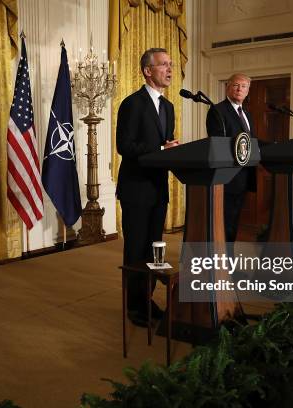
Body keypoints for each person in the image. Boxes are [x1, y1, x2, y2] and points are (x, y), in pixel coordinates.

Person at [116, 48, 179, 327]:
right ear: (147, 70)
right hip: (136, 188)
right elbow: (125, 146)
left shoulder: (169, 107)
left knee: (155, 249)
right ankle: (135, 307)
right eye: (163, 64)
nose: (169, 69)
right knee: (136, 250)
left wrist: (174, 151)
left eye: (171, 64)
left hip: (158, 189)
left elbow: (166, 146)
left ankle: (148, 300)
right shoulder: (132, 104)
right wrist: (160, 148)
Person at [206, 73, 258, 243]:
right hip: (226, 177)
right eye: (236, 85)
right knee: (224, 224)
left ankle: (229, 264)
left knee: (233, 223)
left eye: (244, 86)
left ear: (248, 91)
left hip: (243, 176)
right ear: (228, 87)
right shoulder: (218, 111)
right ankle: (223, 264)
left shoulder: (247, 114)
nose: (239, 89)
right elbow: (218, 143)